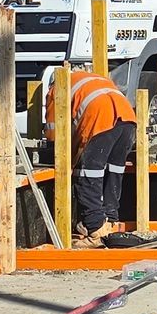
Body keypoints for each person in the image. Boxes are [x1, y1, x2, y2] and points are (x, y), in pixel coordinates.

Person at [60, 68, 137, 245]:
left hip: (101, 117)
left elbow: (55, 132)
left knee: (88, 173)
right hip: (127, 118)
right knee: (114, 171)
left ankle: (95, 229)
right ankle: (110, 222)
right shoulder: (93, 78)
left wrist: (67, 159)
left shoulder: (58, 88)